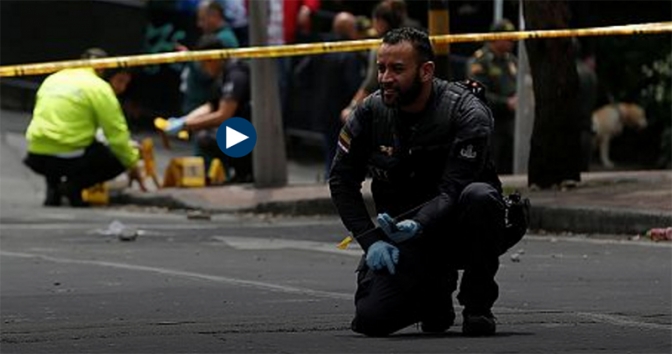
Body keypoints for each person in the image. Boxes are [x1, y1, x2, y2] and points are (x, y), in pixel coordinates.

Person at [329, 27, 512, 337]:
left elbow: (454, 188)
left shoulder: (466, 111)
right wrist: (370, 240)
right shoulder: (369, 113)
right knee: (371, 320)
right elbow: (341, 180)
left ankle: (478, 305)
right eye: (382, 68)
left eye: (397, 69)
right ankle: (434, 295)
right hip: (403, 238)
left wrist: (421, 223)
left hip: (458, 227)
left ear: (426, 71)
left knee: (480, 196)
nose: (386, 77)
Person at [24, 48, 145, 207]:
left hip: (35, 154)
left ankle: (54, 189)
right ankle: (72, 187)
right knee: (118, 156)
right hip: (70, 155)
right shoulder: (99, 87)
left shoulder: (53, 79)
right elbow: (116, 134)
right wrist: (132, 163)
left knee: (59, 138)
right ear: (103, 68)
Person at [166, 35, 253, 184]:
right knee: (206, 132)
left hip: (253, 137)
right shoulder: (223, 73)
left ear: (213, 58)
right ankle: (235, 174)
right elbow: (212, 105)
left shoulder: (236, 74)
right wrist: (184, 120)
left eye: (203, 62)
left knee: (205, 136)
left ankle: (242, 174)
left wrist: (188, 126)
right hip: (243, 130)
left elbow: (223, 115)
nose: (202, 67)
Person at [339, 0, 405, 123]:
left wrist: (352, 106)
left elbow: (371, 82)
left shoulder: (381, 47)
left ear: (380, 22)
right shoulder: (408, 42)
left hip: (387, 105)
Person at [466, 18, 517, 174]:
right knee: (491, 166)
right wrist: (505, 102)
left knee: (510, 165)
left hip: (511, 121)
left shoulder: (511, 60)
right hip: (490, 121)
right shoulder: (481, 61)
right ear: (495, 37)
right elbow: (476, 92)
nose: (511, 41)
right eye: (506, 36)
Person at [178, 0, 239, 115]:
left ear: (215, 16)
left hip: (206, 104)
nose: (199, 24)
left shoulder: (224, 39)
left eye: (202, 19)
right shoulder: (214, 36)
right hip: (199, 106)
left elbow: (208, 73)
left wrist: (189, 58)